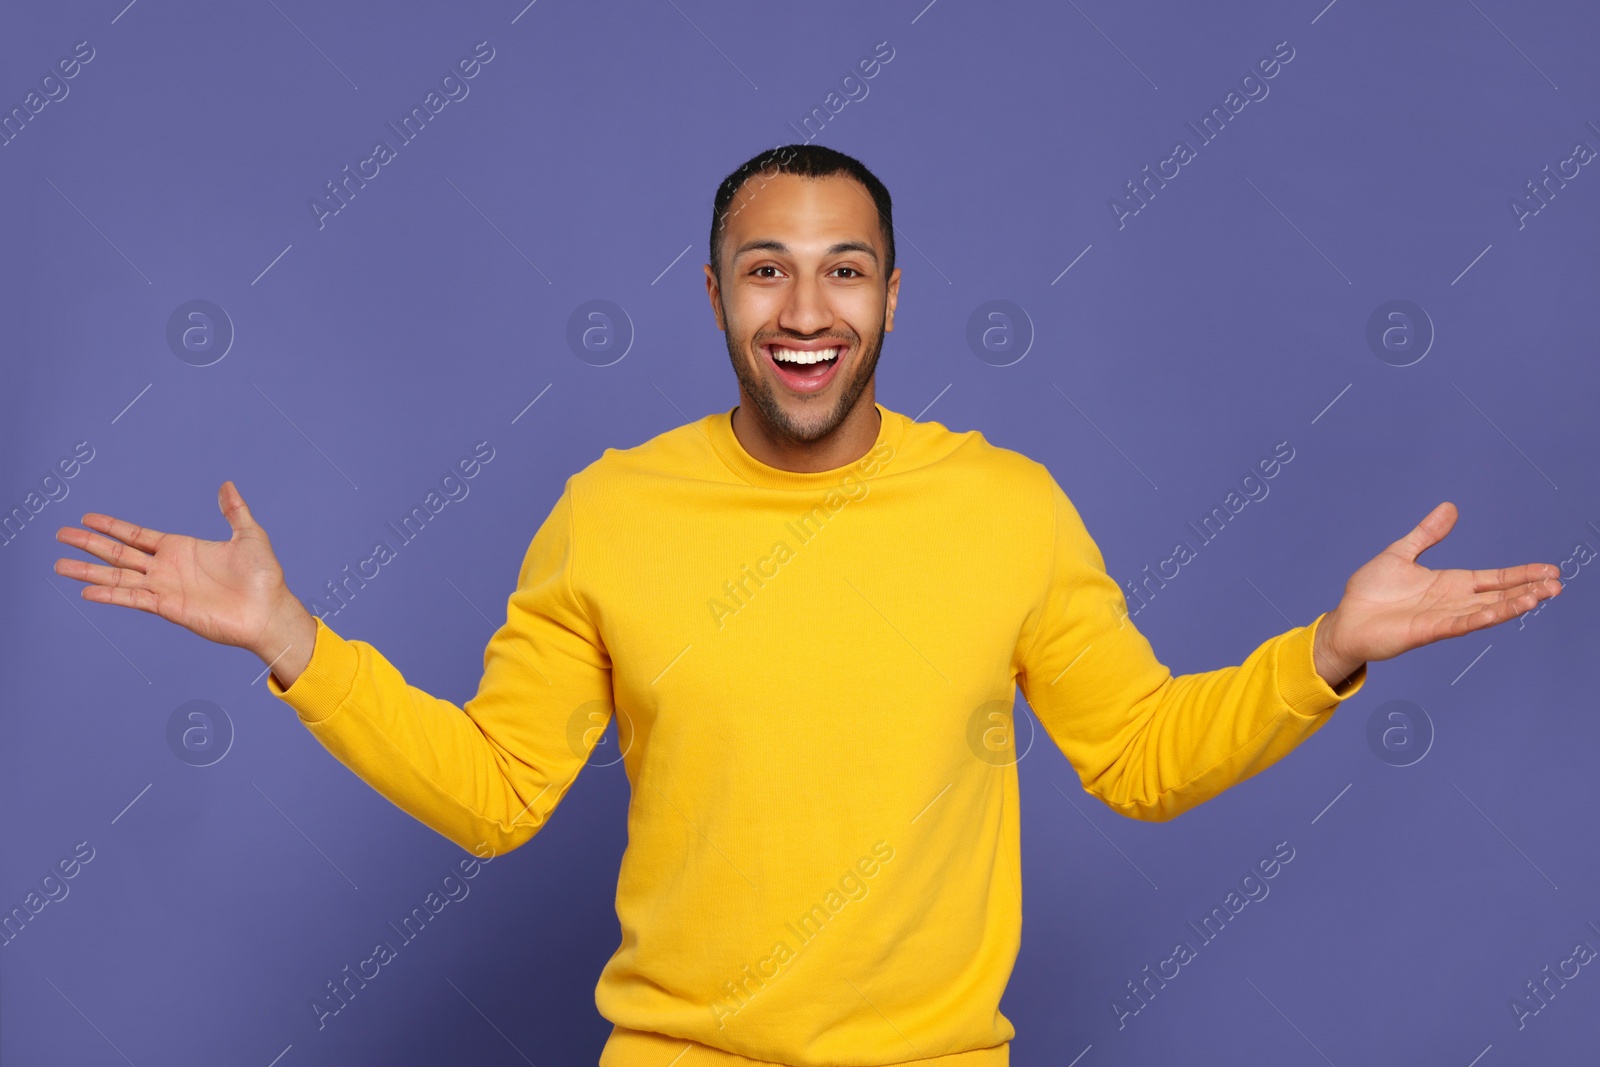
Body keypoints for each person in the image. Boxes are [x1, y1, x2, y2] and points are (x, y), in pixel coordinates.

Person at [52, 144, 1561, 1066]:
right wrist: (291, 644)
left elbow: (1143, 757)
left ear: (894, 296)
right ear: (714, 292)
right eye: (766, 271)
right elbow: (502, 793)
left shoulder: (1004, 507)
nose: (805, 310)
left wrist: (1329, 655)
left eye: (845, 272)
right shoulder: (613, 510)